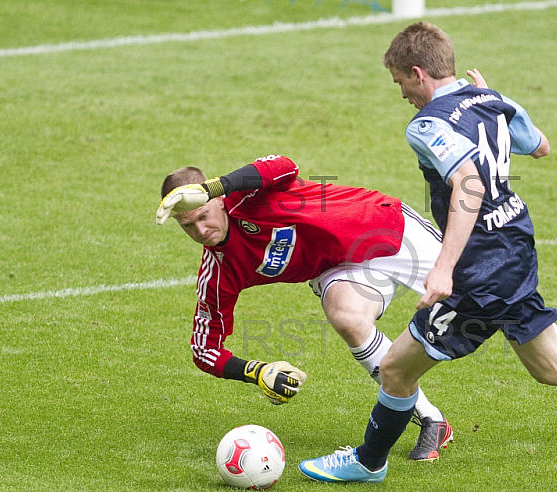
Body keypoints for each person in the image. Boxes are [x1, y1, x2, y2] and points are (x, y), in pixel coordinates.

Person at [298, 22, 557, 492]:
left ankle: (368, 462)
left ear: (418, 73)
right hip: (516, 246)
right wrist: (491, 103)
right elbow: (540, 146)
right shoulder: (492, 100)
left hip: (479, 270)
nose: (402, 95)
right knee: (551, 367)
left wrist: (444, 268)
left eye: (400, 82)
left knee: (396, 369)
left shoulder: (426, 125)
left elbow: (471, 185)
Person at [155, 154, 454, 460]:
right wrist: (255, 372)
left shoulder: (247, 195)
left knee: (487, 297)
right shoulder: (219, 272)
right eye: (189, 225)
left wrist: (216, 187)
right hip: (341, 267)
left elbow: (284, 166)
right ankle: (431, 419)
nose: (202, 230)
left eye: (204, 215)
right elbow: (204, 350)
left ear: (216, 200)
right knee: (348, 319)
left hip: (385, 226)